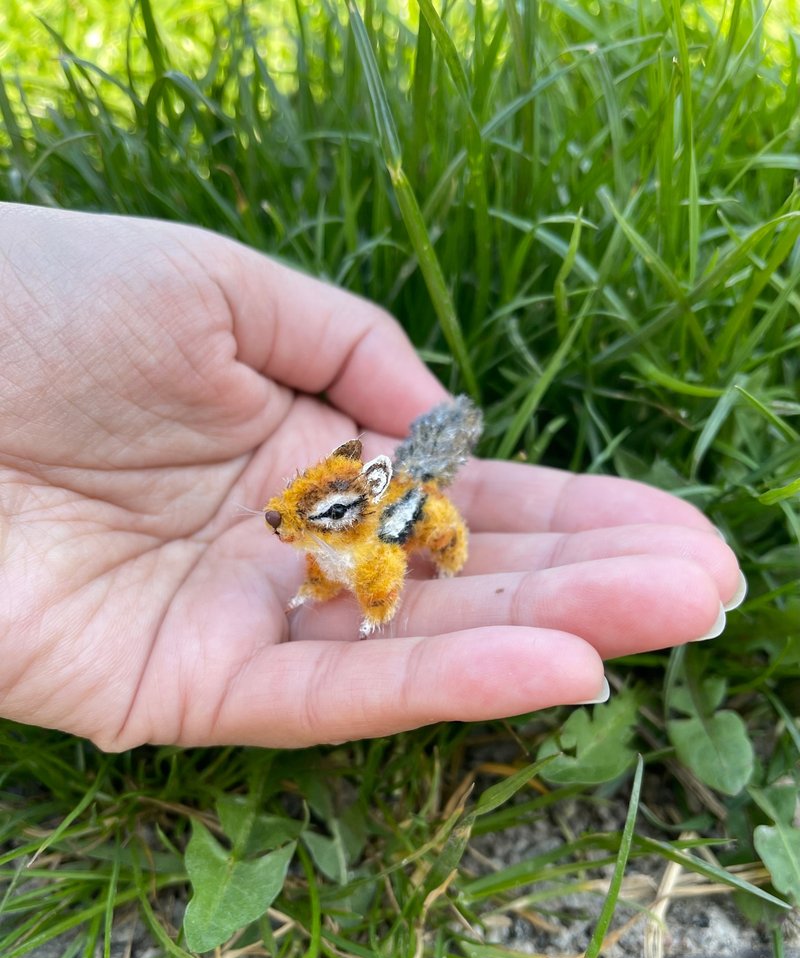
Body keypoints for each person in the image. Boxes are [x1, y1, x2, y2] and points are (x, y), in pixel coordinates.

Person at [0, 204, 744, 751]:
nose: (282, 521)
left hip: (399, 517)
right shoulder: (316, 526)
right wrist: (318, 578)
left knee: (439, 535)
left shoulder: (373, 537)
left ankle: (449, 562)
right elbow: (316, 537)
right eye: (291, 510)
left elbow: (381, 567)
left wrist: (377, 605)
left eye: (302, 517)